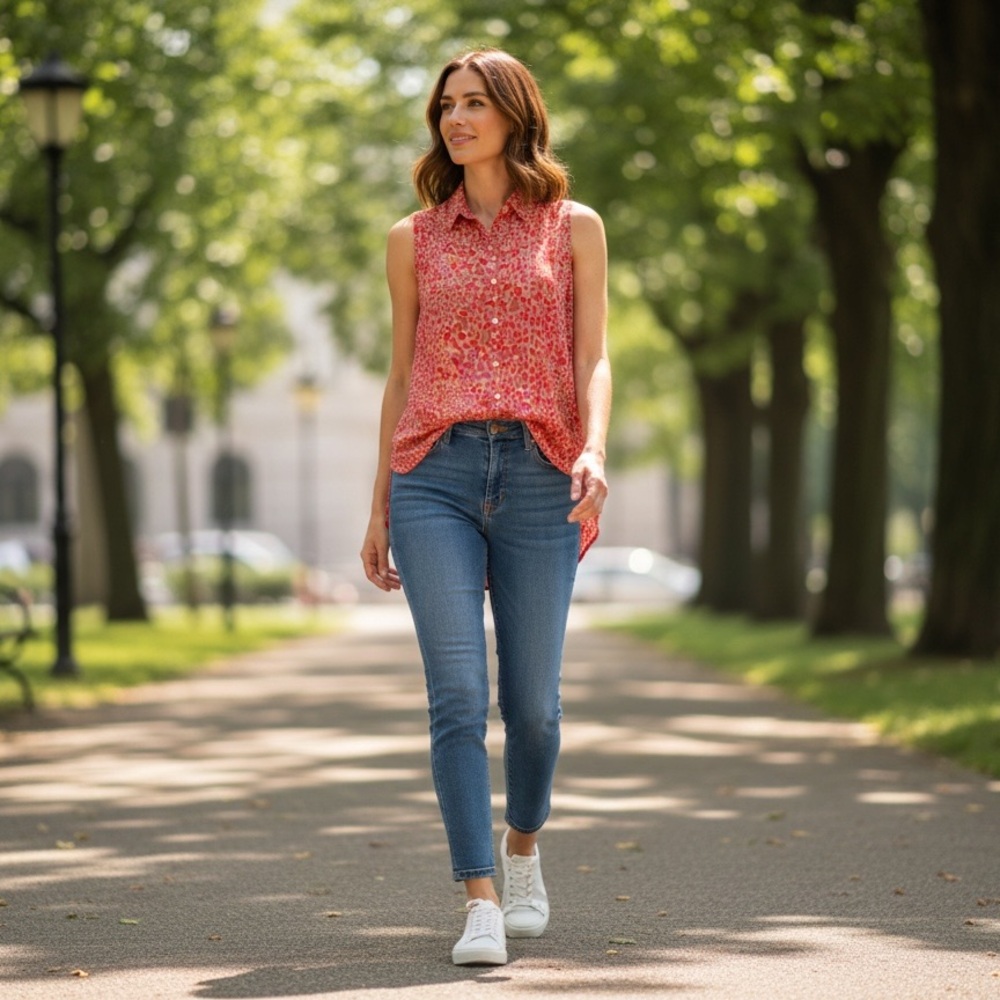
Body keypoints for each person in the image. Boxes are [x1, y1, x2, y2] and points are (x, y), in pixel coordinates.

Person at [360, 48, 611, 967]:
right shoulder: (412, 238)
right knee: (457, 697)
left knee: (535, 709)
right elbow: (400, 374)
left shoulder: (573, 227)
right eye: (446, 106)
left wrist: (593, 445)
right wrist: (380, 503)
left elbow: (594, 358)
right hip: (436, 473)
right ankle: (478, 902)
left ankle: (524, 848)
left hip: (544, 470)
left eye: (474, 104)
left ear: (514, 114)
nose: (456, 119)